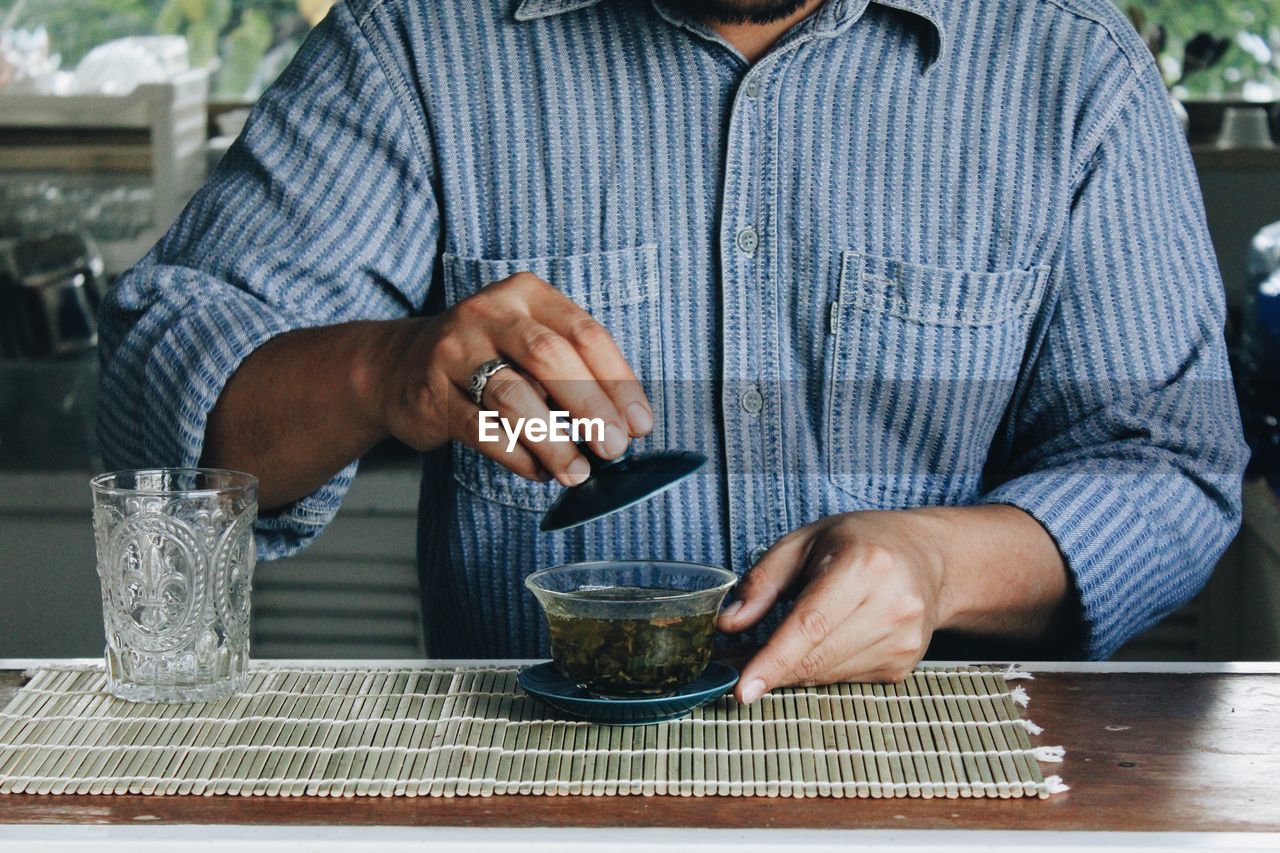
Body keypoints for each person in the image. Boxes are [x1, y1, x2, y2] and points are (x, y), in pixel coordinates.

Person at [98, 0, 1248, 704]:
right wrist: (379, 369)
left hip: (934, 787)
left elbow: (1172, 471)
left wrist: (942, 563)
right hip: (526, 795)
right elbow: (158, 399)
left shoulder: (1066, 61)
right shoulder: (417, 38)